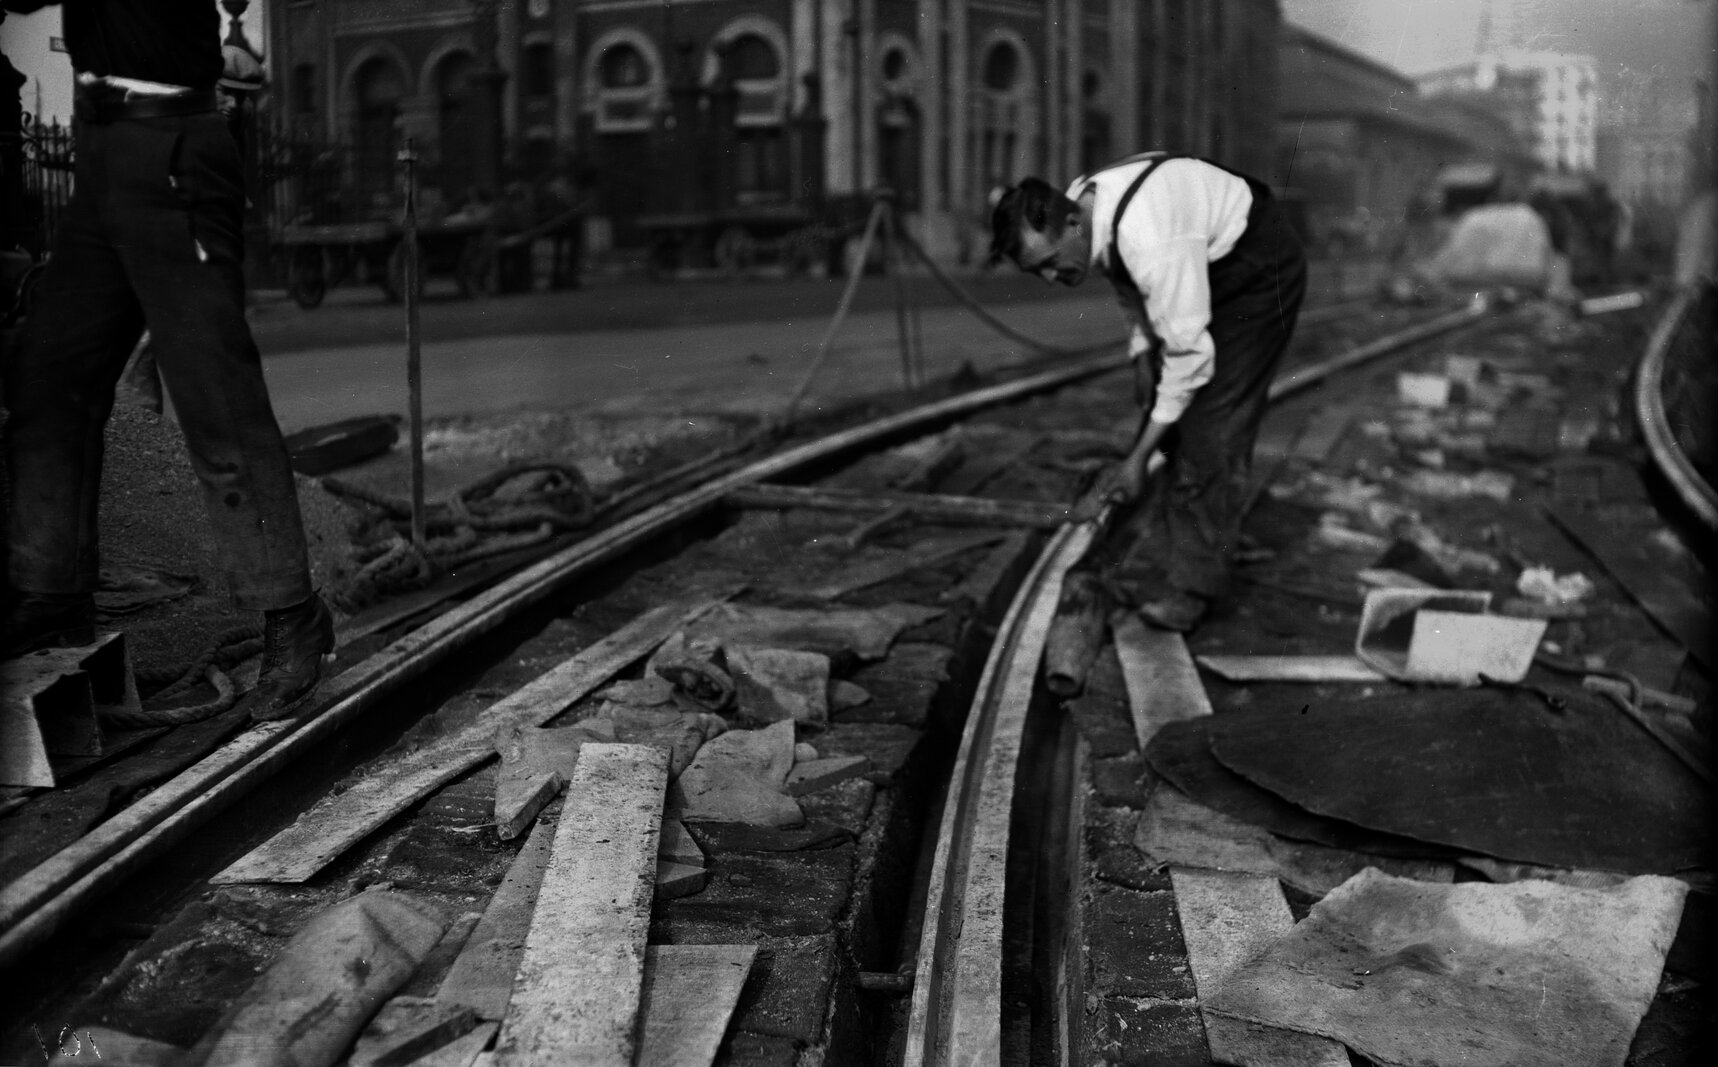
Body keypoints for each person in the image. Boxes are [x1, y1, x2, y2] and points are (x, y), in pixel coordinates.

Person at [1, 0, 334, 721]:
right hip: (102, 160)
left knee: (216, 398)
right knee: (48, 375)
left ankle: (292, 614)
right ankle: (54, 589)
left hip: (173, 153)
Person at [990, 153, 1306, 632]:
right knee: (1166, 407)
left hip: (1259, 273)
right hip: (1202, 261)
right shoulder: (1087, 204)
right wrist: (1141, 351)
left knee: (1209, 424)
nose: (1053, 279)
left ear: (1072, 221)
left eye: (1053, 263)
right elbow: (1121, 277)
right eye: (1038, 273)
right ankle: (1210, 529)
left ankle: (1194, 586)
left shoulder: (1152, 240)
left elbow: (1188, 354)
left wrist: (1137, 458)